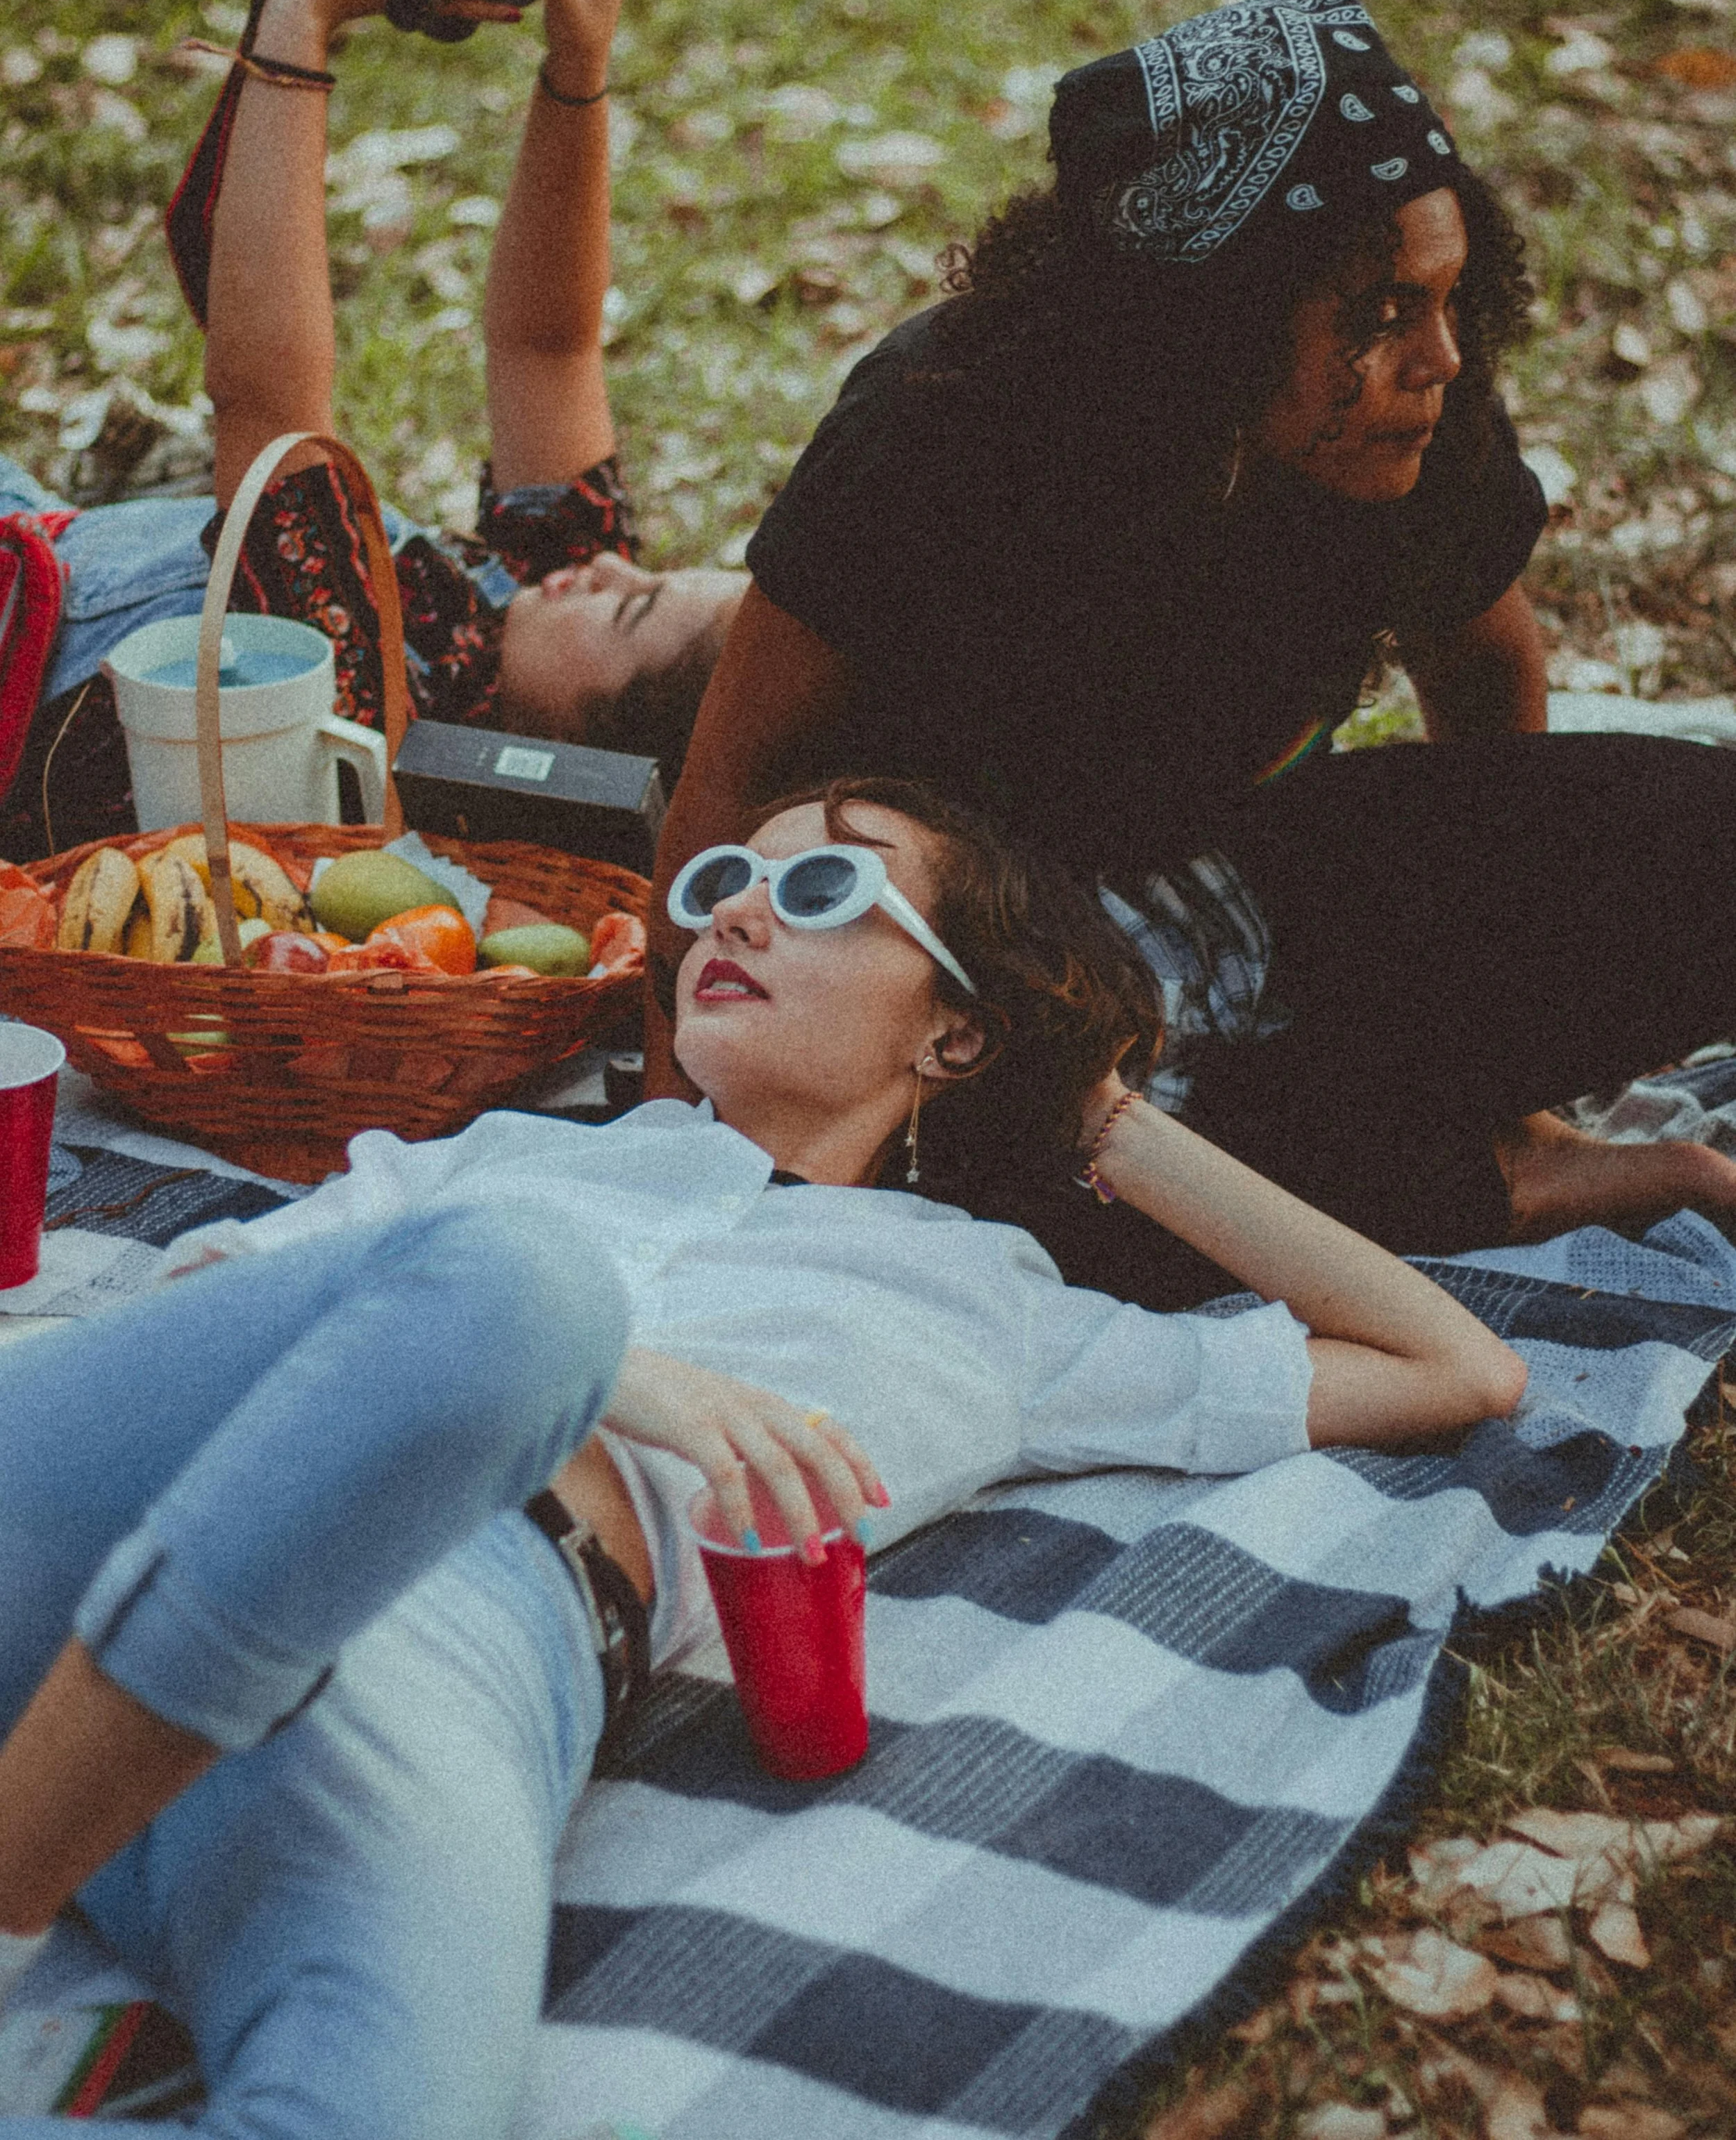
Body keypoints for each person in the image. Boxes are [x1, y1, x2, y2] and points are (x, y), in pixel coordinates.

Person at [0, 774, 1525, 2138]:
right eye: (725, 877)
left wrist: (1098, 1112)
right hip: (156, 1505)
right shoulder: (510, 1158)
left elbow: (1450, 1364)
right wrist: (611, 1376)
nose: (732, 904)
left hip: (465, 1654)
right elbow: (205, 1312)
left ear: (955, 1025)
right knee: (515, 1296)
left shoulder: (998, 1309)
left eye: (819, 889)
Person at [651, 0, 1736, 1282]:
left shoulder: (1413, 411)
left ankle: (1476, 1149)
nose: (1440, 357)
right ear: (1208, 330)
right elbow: (726, 785)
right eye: (1383, 312)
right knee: (1011, 1211)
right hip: (975, 973)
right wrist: (672, 1160)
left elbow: (1487, 665)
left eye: (1450, 298)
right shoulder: (934, 432)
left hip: (1243, 889)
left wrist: (1502, 977)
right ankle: (1497, 1180)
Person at [0, 0, 744, 863]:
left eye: (631, 606)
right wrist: (581, 64)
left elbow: (266, 403)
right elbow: (546, 345)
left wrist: (301, 22)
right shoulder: (527, 623)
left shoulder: (364, 700)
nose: (606, 563)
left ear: (589, 765)